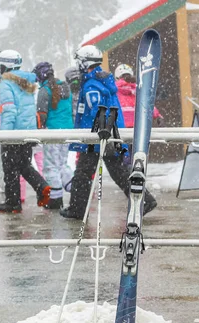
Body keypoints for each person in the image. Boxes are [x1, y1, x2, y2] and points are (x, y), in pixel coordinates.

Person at [60, 45, 157, 220]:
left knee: (83, 173)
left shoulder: (91, 85)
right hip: (109, 134)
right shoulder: (103, 81)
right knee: (118, 171)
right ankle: (145, 200)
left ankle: (77, 209)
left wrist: (102, 129)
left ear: (85, 63)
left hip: (97, 137)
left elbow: (98, 108)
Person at [0, 49, 51, 213]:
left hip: (13, 133)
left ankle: (13, 202)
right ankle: (41, 186)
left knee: (10, 168)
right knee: (24, 165)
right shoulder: (25, 82)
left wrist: (5, 136)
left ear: (5, 66)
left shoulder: (6, 83)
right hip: (28, 132)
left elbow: (9, 110)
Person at [33, 61, 74, 210]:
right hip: (68, 130)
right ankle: (76, 191)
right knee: (62, 164)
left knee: (50, 166)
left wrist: (39, 129)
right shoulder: (65, 87)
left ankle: (56, 200)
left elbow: (41, 115)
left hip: (52, 132)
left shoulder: (44, 91)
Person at [114, 63, 165, 128]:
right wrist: (158, 116)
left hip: (120, 125)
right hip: (137, 126)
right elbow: (147, 104)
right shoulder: (137, 91)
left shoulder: (113, 90)